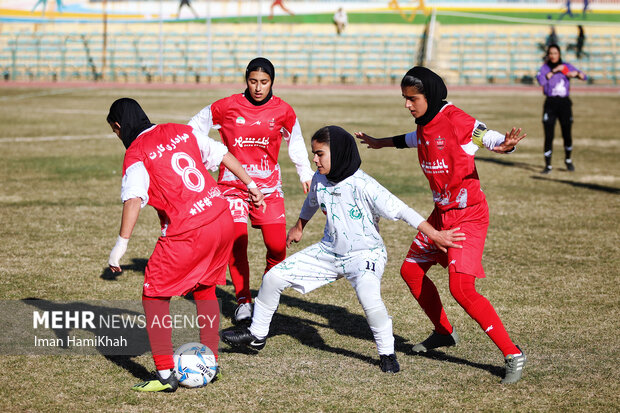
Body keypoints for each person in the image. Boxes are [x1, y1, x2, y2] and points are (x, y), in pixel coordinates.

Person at [222, 125, 465, 373]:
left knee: (370, 298)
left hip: (365, 254)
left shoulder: (363, 184)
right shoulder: (320, 178)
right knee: (273, 278)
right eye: (313, 154)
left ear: (338, 153)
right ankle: (256, 335)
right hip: (329, 252)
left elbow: (402, 210)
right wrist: (299, 226)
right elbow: (312, 201)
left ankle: (387, 353)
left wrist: (435, 234)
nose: (314, 159)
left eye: (320, 154)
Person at [355, 66, 528, 384]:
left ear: (430, 95)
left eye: (412, 99)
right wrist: (382, 143)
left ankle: (513, 354)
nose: (407, 105)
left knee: (461, 288)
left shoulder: (456, 119)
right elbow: (416, 139)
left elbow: (483, 135)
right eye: (404, 99)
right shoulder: (423, 123)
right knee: (410, 271)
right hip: (441, 216)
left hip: (468, 217)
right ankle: (444, 331)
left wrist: (504, 144)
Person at [106, 98, 265, 392]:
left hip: (188, 231)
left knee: (154, 296)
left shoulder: (136, 152)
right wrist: (251, 186)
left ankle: (165, 375)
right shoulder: (180, 130)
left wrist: (120, 245)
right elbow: (223, 154)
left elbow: (133, 199)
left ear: (118, 127)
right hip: (221, 217)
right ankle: (211, 363)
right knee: (204, 288)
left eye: (116, 132)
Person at [188, 57, 314, 325]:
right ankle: (243, 300)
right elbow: (192, 129)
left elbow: (297, 141)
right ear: (246, 80)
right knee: (237, 242)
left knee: (277, 245)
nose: (258, 87)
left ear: (272, 82)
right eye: (253, 81)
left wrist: (305, 172)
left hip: (268, 188)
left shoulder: (283, 111)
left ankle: (268, 294)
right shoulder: (226, 106)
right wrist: (207, 156)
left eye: (264, 82)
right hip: (232, 187)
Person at [536, 44, 587, 173]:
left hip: (564, 103)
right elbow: (541, 81)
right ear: (548, 55)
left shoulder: (566, 66)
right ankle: (548, 165)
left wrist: (576, 73)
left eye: (555, 53)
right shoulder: (544, 68)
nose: (553, 55)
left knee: (567, 133)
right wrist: (554, 71)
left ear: (559, 54)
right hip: (550, 103)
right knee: (549, 135)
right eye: (551, 53)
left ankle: (568, 160)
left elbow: (583, 76)